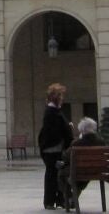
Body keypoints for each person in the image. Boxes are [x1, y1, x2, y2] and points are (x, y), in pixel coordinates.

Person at [37, 82, 73, 210]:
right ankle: (50, 201)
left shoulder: (54, 111)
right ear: (55, 97)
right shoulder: (52, 112)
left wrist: (67, 127)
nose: (62, 99)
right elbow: (54, 131)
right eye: (60, 96)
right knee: (52, 175)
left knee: (55, 174)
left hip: (53, 148)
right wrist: (68, 127)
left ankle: (59, 200)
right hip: (52, 150)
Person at [57, 116, 103, 206]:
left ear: (82, 130)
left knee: (61, 174)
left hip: (78, 171)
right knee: (83, 177)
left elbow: (66, 157)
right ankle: (73, 199)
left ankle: (69, 197)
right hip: (96, 171)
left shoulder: (77, 143)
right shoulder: (101, 142)